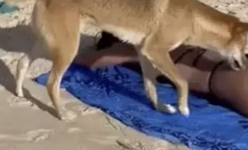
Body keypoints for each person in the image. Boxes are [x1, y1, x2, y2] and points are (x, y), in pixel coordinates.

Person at [76, 32, 248, 117]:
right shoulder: (175, 33)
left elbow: (92, 59)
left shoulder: (137, 47)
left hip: (223, 77)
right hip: (229, 70)